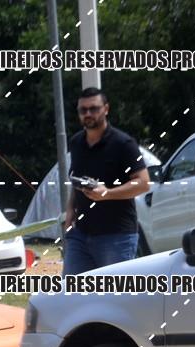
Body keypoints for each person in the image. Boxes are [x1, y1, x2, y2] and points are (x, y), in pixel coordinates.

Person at [62, 87, 150, 274]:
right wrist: (70, 210)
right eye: (83, 110)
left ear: (106, 109)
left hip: (116, 236)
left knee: (114, 292)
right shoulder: (76, 142)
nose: (88, 114)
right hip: (80, 235)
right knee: (70, 290)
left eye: (94, 108)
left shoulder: (124, 144)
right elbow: (76, 181)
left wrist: (107, 193)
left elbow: (143, 183)